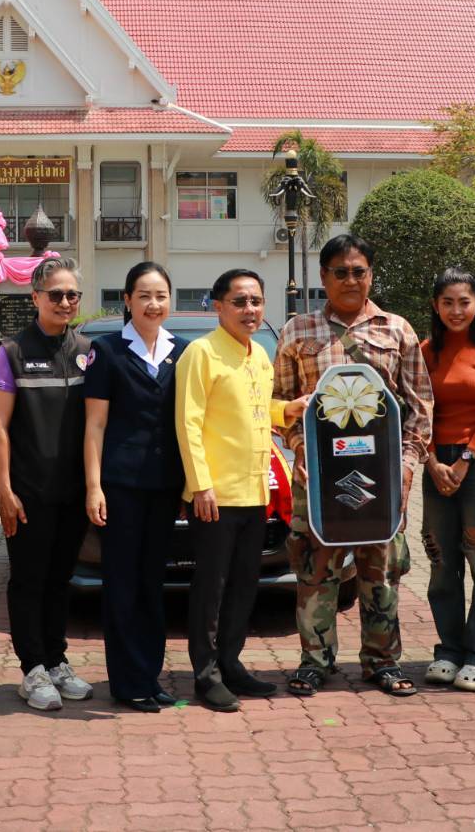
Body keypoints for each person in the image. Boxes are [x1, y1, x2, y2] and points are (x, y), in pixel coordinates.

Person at [274, 234, 433, 699]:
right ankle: (314, 662)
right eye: (339, 271)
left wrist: (406, 464)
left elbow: (420, 405)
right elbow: (282, 404)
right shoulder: (296, 333)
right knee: (314, 568)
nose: (350, 279)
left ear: (371, 274)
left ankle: (382, 661)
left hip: (380, 479)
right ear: (323, 277)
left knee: (380, 570)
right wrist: (301, 448)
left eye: (358, 271)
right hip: (317, 479)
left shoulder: (397, 330)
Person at [176, 269, 309, 712]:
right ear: (218, 306)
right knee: (211, 588)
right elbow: (189, 422)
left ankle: (230, 663)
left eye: (255, 301)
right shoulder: (201, 354)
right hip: (216, 495)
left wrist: (286, 409)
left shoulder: (258, 356)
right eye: (239, 301)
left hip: (256, 491)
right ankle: (206, 673)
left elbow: (255, 410)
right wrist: (201, 486)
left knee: (243, 587)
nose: (249, 310)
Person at [0, 256, 94, 712]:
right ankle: (31, 667)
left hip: (71, 492)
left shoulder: (88, 350)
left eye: (73, 295)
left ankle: (56, 660)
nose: (65, 302)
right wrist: (4, 490)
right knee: (28, 580)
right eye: (56, 294)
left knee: (59, 580)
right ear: (35, 298)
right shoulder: (11, 352)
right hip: (28, 493)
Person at [84, 262, 188, 713]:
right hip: (120, 485)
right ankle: (126, 682)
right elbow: (95, 425)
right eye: (144, 295)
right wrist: (93, 487)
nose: (153, 304)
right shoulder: (106, 351)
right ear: (127, 300)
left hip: (164, 486)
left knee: (152, 583)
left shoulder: (182, 352)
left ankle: (151, 675)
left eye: (161, 295)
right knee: (122, 583)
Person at [418, 268, 475, 691]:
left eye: (464, 302)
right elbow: (418, 409)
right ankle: (450, 650)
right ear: (436, 307)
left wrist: (465, 460)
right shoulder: (425, 350)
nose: (457, 310)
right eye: (448, 302)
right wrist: (434, 460)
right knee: (441, 561)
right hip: (435, 461)